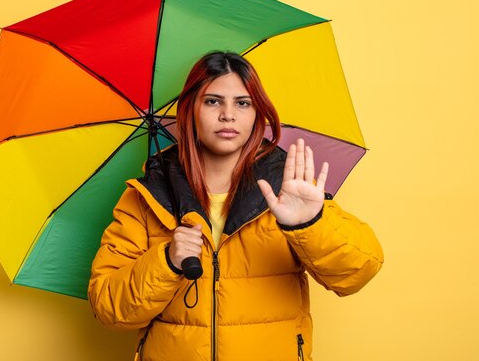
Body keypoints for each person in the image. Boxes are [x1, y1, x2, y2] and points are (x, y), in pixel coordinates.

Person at [88, 51, 383, 361]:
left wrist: (309, 224)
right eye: (213, 101)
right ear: (190, 110)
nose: (228, 115)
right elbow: (109, 309)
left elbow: (359, 272)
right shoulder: (147, 196)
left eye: (243, 103)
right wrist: (167, 260)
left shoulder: (289, 187)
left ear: (258, 112)